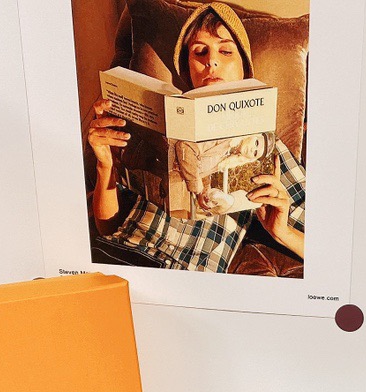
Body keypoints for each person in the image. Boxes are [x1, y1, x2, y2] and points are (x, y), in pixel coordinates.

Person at [86, 2, 304, 273]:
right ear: (187, 69)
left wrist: (282, 232)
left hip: (187, 276)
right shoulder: (155, 125)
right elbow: (106, 227)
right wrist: (105, 165)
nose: (211, 61)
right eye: (199, 51)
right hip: (118, 256)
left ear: (245, 68)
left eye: (226, 51)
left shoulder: (267, 145)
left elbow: (330, 251)